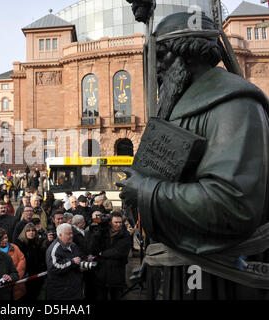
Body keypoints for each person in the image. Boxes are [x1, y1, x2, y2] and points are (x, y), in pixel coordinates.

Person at [119, 8, 269, 299]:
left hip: (219, 280)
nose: (157, 69)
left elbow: (232, 204)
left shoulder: (236, 106)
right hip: (177, 272)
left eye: (161, 56)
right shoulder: (178, 105)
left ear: (185, 56)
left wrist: (146, 190)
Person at [87, 210, 131, 300]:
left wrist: (102, 253)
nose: (118, 225)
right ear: (110, 222)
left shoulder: (125, 235)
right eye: (116, 222)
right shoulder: (102, 232)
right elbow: (93, 250)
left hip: (117, 277)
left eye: (120, 222)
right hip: (101, 276)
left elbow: (120, 252)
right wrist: (96, 235)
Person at [46, 223, 83, 300]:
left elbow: (78, 259)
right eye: (68, 234)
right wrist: (72, 262)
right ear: (60, 235)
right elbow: (54, 267)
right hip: (60, 291)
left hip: (74, 288)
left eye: (72, 233)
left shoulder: (73, 245)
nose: (71, 236)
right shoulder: (54, 249)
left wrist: (80, 266)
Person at [14, 222, 46, 301]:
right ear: (24, 232)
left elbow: (40, 259)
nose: (31, 232)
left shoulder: (37, 244)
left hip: (36, 276)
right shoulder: (19, 245)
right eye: (28, 231)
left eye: (33, 230)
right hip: (24, 277)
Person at [0, 228, 26, 300]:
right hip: (2, 287)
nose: (5, 240)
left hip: (17, 285)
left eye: (6, 237)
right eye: (2, 238)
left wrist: (14, 276)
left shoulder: (14, 247)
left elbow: (22, 261)